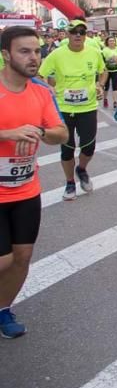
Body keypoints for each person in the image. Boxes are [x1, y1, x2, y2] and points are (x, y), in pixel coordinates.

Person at [0, 27, 69, 338]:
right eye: (24, 51)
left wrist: (39, 132)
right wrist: (8, 134)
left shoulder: (41, 92)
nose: (34, 58)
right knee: (3, 260)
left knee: (22, 256)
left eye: (37, 51)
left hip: (26, 189)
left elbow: (61, 133)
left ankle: (3, 309)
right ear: (5, 54)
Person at [38, 19, 107, 202]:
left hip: (88, 107)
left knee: (89, 147)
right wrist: (48, 89)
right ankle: (69, 183)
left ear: (86, 35)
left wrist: (100, 85)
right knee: (67, 150)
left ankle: (82, 169)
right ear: (67, 34)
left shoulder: (94, 52)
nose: (78, 35)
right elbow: (40, 75)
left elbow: (103, 71)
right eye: (74, 31)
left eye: (82, 32)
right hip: (64, 108)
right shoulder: (56, 54)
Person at [101, 35, 117, 110]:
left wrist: (116, 60)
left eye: (113, 41)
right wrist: (110, 59)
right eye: (110, 41)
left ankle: (115, 102)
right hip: (107, 71)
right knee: (106, 86)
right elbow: (102, 61)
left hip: (116, 70)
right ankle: (105, 99)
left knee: (115, 86)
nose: (112, 42)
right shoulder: (104, 50)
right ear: (107, 42)